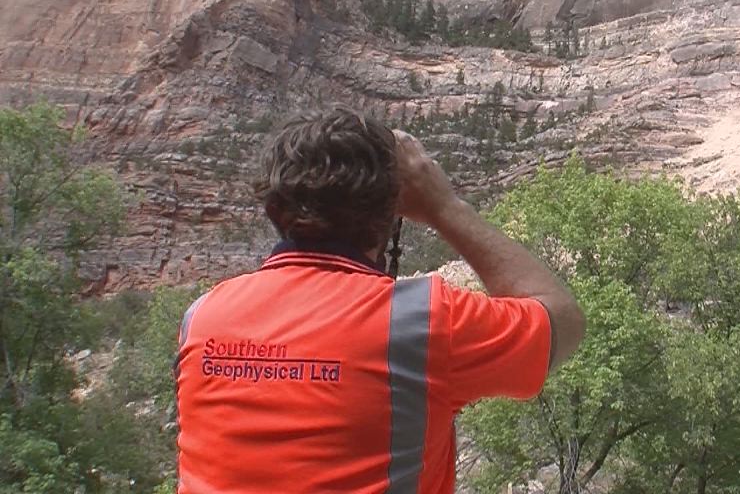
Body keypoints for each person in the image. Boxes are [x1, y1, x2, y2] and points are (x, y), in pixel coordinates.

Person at [174, 108, 586, 493]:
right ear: (391, 214)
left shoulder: (202, 317)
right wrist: (445, 207)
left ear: (272, 207)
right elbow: (563, 323)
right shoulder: (423, 324)